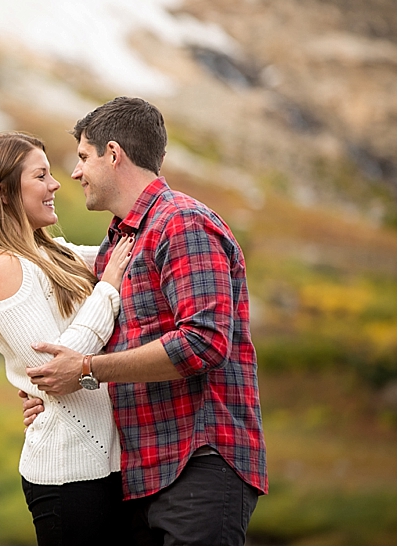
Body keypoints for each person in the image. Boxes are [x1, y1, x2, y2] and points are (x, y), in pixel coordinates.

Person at [20, 97, 267, 545]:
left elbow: (204, 343)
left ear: (113, 154)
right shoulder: (121, 241)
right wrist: (56, 397)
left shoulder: (182, 223)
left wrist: (87, 372)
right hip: (142, 470)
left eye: (82, 157)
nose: (74, 174)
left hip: (198, 461)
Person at [0, 130, 136, 545]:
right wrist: (109, 288)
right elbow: (57, 367)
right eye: (41, 176)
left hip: (110, 468)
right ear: (5, 192)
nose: (56, 185)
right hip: (69, 478)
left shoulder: (48, 251)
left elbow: (121, 252)